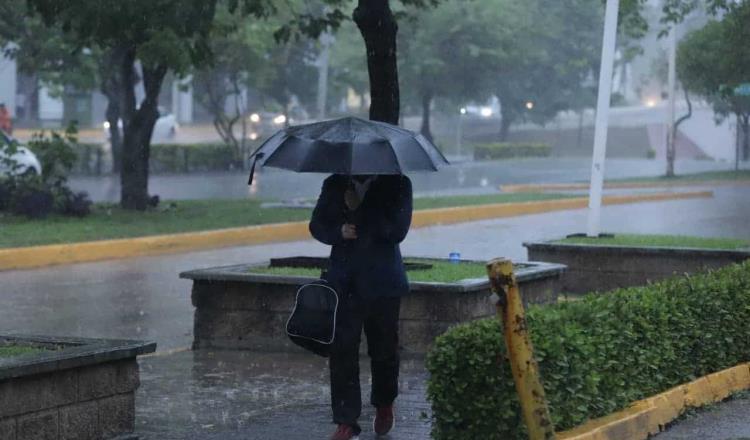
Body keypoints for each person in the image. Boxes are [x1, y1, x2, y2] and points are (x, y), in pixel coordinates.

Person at [309, 173, 413, 440]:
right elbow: (317, 225)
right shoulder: (335, 183)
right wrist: (339, 231)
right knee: (342, 351)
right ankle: (346, 421)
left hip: (383, 284)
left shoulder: (398, 184)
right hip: (344, 284)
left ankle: (384, 402)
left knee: (384, 349)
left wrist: (360, 211)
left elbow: (397, 231)